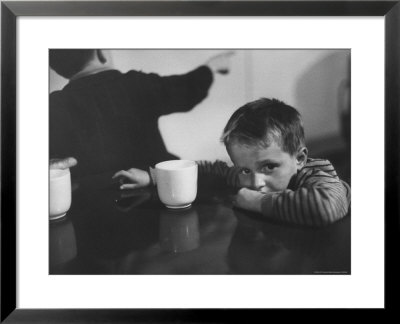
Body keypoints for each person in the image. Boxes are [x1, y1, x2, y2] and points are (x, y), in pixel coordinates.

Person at [112, 98, 351, 227]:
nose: (256, 182)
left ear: (299, 159)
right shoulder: (243, 177)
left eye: (269, 167)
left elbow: (325, 208)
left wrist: (257, 202)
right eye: (245, 169)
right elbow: (211, 170)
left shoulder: (317, 175)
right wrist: (153, 176)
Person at [49, 49, 233, 177]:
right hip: (153, 183)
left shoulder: (55, 104)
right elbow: (186, 89)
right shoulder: (135, 84)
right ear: (101, 53)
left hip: (94, 197)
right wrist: (211, 67)